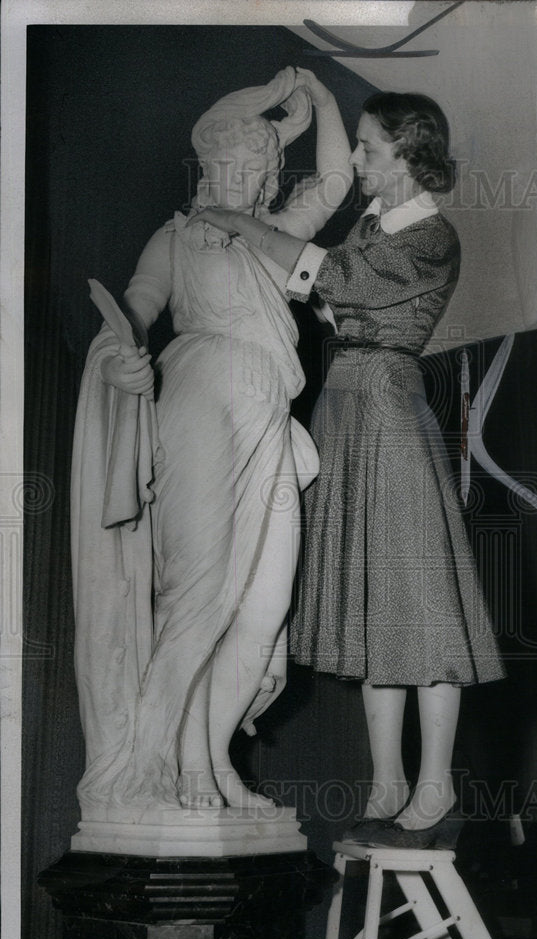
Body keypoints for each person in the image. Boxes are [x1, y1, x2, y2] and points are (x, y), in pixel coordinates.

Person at [193, 91, 505, 848]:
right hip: (342, 406)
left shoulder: (432, 235)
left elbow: (332, 278)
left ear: (408, 153)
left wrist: (239, 223)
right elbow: (323, 292)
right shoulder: (374, 224)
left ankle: (434, 786)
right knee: (374, 606)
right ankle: (387, 783)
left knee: (417, 603)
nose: (357, 159)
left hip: (390, 410)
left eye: (368, 147)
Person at [71, 66, 352, 819]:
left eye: (256, 168)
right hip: (199, 401)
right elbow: (138, 302)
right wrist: (123, 348)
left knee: (263, 613)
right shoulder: (176, 236)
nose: (241, 177)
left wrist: (322, 100)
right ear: (208, 169)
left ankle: (215, 754)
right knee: (199, 596)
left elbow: (332, 182)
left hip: (269, 416)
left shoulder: (271, 239)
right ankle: (176, 762)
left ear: (265, 180)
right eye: (229, 164)